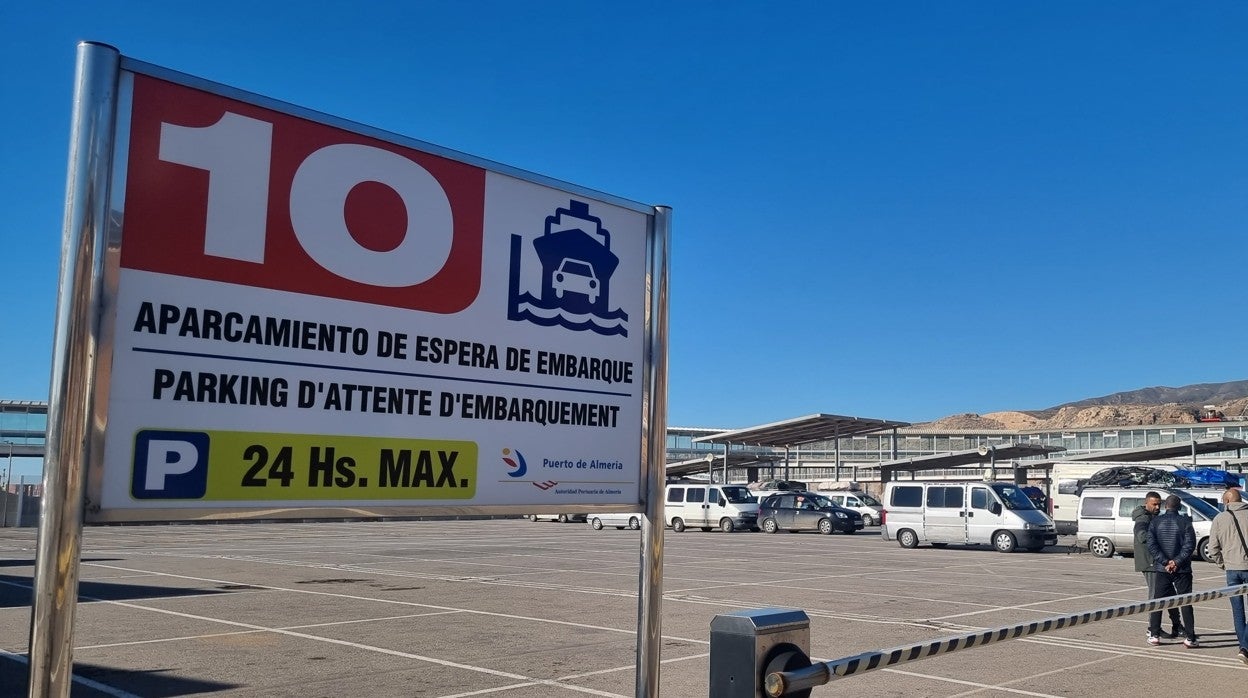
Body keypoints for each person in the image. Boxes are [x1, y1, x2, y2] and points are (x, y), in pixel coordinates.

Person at [1147, 494, 1198, 647]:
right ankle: (1190, 637)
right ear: (1179, 507)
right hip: (1182, 569)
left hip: (1162, 569)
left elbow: (1151, 545)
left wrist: (1164, 562)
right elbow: (1189, 545)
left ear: (1165, 506)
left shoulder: (1155, 522)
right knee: (1186, 602)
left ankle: (1154, 634)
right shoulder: (1185, 522)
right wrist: (1176, 561)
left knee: (1158, 602)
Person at [1132, 491, 1184, 639]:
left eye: (1159, 504)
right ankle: (1152, 628)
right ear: (1146, 503)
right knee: (1156, 596)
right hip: (1150, 563)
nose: (1157, 507)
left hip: (1160, 562)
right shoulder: (1142, 518)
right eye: (1154, 504)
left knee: (1170, 594)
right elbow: (1142, 536)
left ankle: (1177, 626)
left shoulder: (1155, 517)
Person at [1206, 488, 1248, 664]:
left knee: (1237, 612)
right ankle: (1245, 648)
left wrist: (1222, 563)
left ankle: (1243, 647)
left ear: (1227, 502)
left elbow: (1212, 547)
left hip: (1231, 569)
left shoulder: (1219, 518)